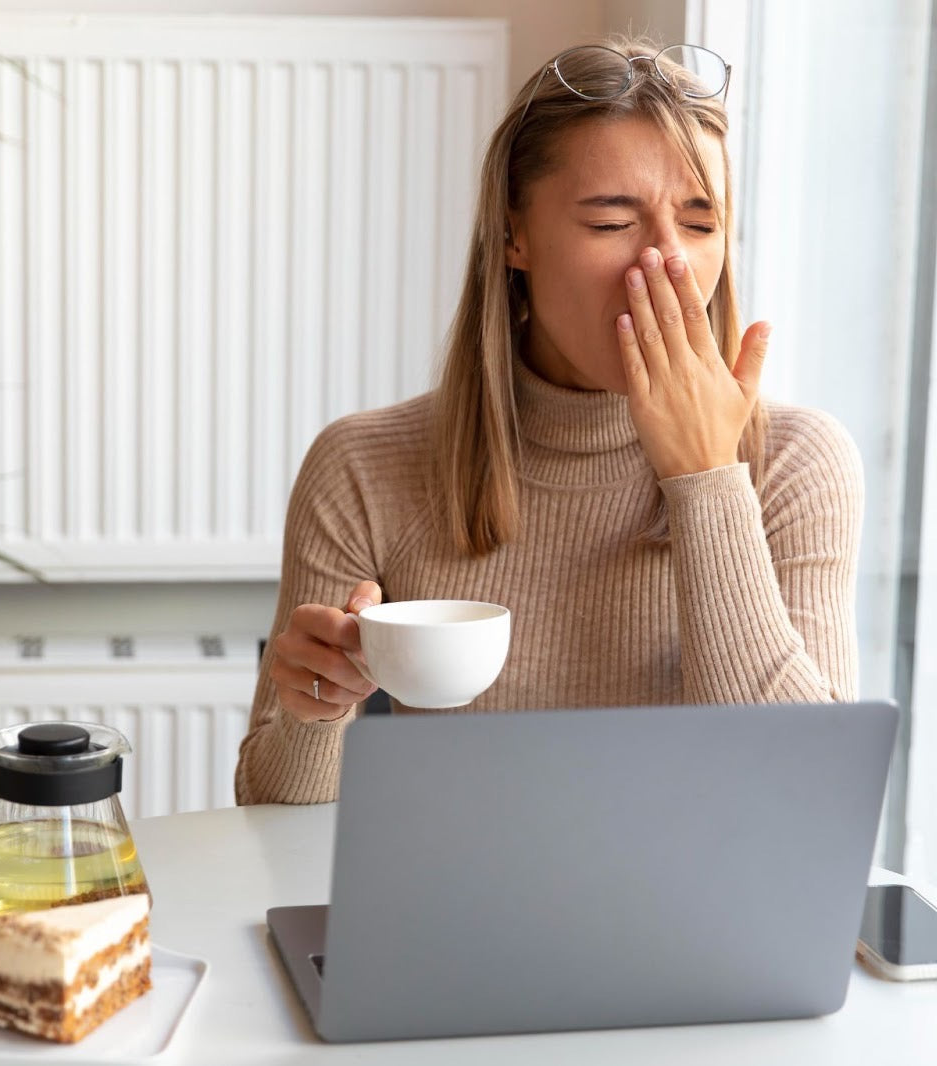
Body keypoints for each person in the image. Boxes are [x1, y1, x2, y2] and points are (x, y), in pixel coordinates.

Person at [235, 35, 864, 805]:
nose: (666, 266)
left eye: (700, 227)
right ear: (514, 235)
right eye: (612, 223)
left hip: (699, 924)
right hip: (458, 910)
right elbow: (268, 817)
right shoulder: (364, 466)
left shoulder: (798, 462)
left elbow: (810, 803)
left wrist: (705, 478)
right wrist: (312, 710)